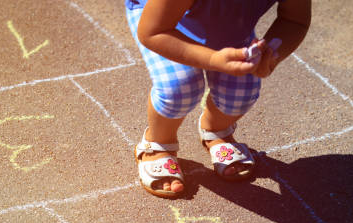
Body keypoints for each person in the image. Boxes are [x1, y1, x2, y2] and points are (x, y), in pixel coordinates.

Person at [125, 0, 311, 198]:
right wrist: (213, 60)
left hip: (232, 26)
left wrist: (273, 53)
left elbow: (294, 20)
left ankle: (215, 129)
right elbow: (153, 32)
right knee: (179, 88)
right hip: (164, 25)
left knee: (242, 92)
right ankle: (158, 142)